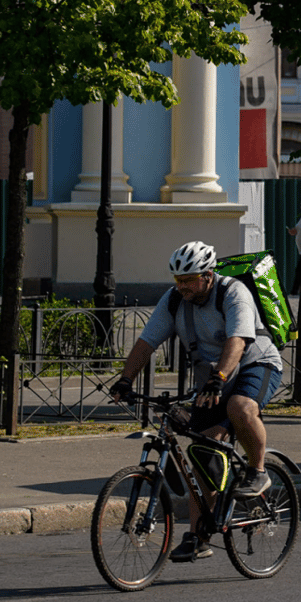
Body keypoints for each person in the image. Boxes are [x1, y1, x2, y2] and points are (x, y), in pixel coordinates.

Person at [109, 240, 284, 563]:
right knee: (202, 452)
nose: (182, 286)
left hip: (254, 364)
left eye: (189, 280)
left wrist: (218, 379)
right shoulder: (174, 300)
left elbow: (238, 340)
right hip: (212, 379)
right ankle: (198, 535)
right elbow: (147, 342)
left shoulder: (233, 293)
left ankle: (258, 470)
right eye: (178, 280)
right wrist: (125, 379)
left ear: (208, 275)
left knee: (240, 408)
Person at [287, 198, 301, 294]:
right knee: (300, 270)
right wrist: (293, 231)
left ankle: (294, 290)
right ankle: (295, 290)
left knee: (300, 270)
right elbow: (298, 229)